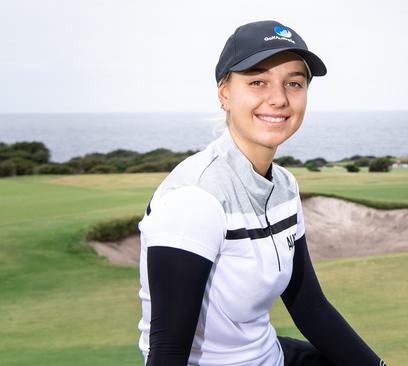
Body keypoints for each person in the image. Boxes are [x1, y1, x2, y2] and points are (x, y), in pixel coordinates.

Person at [136, 20, 389, 366]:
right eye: (258, 81)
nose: (279, 98)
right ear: (225, 94)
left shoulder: (284, 186)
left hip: (271, 356)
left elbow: (308, 305)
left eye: (294, 83)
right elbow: (167, 351)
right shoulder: (195, 198)